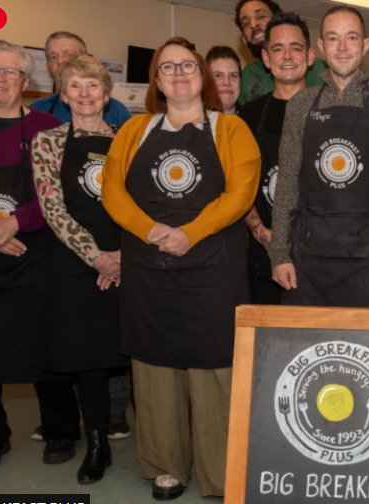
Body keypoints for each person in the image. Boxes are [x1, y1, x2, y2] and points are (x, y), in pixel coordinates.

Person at [102, 37, 260, 499]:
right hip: (149, 273)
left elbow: (240, 193)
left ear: (203, 75)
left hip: (213, 272)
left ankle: (221, 471)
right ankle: (166, 464)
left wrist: (190, 232)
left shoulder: (231, 131)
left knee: (217, 372)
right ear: (156, 81)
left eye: (187, 65)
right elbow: (113, 191)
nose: (178, 73)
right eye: (167, 67)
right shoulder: (133, 132)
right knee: (156, 371)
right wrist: (151, 231)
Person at [0, 40, 78, 471]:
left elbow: (59, 194)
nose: (1, 79)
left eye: (11, 72)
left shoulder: (48, 128)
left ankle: (60, 430)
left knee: (46, 343)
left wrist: (14, 223)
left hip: (36, 252)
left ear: (26, 82)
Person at [269, 5, 369, 307]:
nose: (342, 48)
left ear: (365, 46)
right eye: (333, 39)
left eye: (351, 38)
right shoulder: (299, 105)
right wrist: (279, 254)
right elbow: (286, 185)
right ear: (322, 48)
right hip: (308, 256)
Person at [29, 30, 133, 443]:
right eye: (75, 86)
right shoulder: (48, 143)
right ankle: (96, 444)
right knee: (88, 357)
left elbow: (139, 206)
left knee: (134, 353)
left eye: (93, 85)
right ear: (63, 95)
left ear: (106, 95)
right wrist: (98, 257)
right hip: (76, 266)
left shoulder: (127, 142)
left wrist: (122, 256)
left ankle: (160, 446)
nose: (85, 93)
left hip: (126, 263)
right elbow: (53, 208)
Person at [239, 11, 313, 306]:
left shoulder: (332, 113)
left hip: (318, 254)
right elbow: (238, 186)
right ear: (266, 59)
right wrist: (263, 234)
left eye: (296, 47)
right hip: (264, 255)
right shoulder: (248, 115)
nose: (287, 56)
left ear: (310, 56)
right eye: (277, 48)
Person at [235, 0, 327, 105]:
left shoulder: (319, 69)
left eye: (260, 16)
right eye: (246, 23)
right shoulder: (245, 78)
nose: (253, 24)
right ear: (244, 40)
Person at [31, 32, 131, 127]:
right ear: (48, 68)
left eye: (68, 55)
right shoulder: (36, 111)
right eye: (53, 57)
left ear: (85, 61)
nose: (60, 61)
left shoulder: (117, 111)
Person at [206, 46, 242, 115]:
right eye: (218, 76)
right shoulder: (194, 124)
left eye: (233, 76)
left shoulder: (253, 122)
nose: (227, 82)